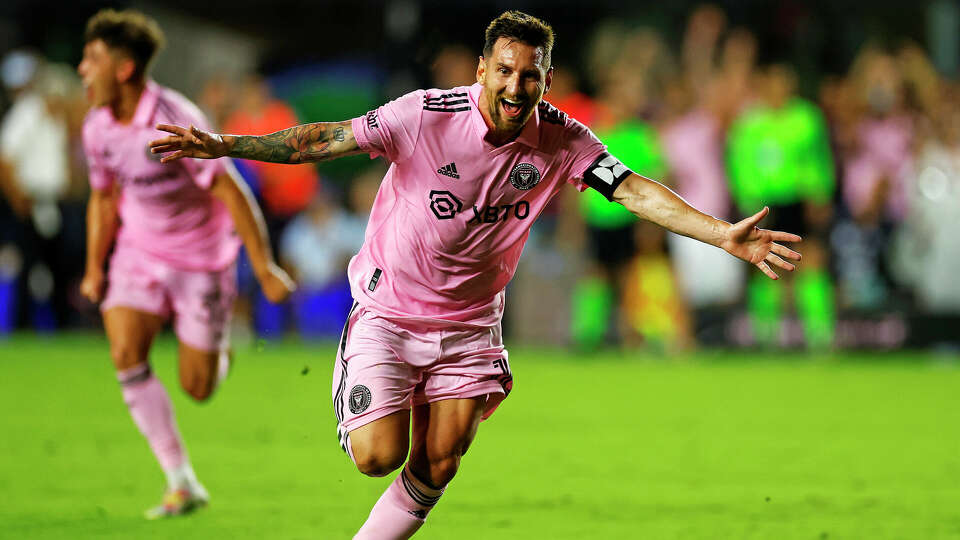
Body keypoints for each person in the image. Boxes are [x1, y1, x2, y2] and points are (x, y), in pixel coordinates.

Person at [149, 11, 801, 538]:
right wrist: (227, 145)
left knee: (439, 461)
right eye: (507, 71)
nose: (518, 88)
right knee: (379, 456)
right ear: (484, 70)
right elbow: (327, 140)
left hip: (468, 326)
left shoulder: (561, 138)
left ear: (545, 80)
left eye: (532, 76)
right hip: (389, 310)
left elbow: (631, 189)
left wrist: (723, 235)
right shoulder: (425, 116)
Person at [76, 9, 294, 519]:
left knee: (197, 387)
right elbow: (104, 198)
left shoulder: (174, 118)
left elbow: (230, 188)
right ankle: (181, 480)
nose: (83, 70)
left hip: (201, 261)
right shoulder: (96, 128)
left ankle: (218, 355)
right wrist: (94, 267)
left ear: (124, 68)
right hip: (139, 254)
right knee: (126, 352)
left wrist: (263, 269)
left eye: (92, 59)